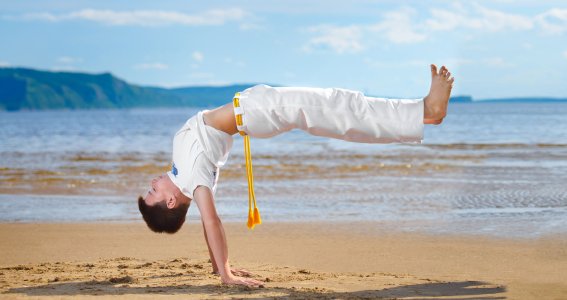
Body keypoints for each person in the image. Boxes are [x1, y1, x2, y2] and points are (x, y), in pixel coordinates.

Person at [138, 64, 454, 287]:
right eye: (152, 193)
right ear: (169, 202)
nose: (151, 184)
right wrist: (226, 274)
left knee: (335, 114)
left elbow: (207, 227)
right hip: (256, 111)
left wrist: (218, 264)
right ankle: (426, 110)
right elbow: (211, 221)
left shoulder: (183, 175)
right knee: (337, 105)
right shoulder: (194, 181)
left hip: (253, 108)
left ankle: (422, 117)